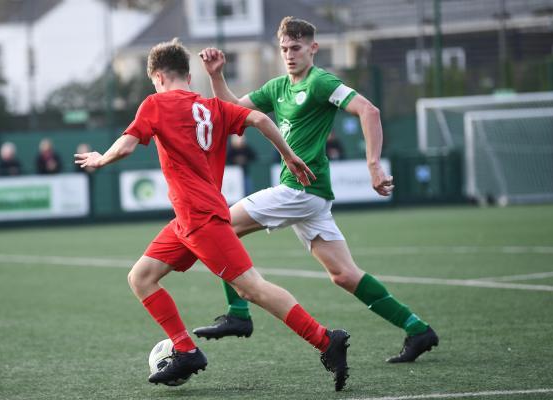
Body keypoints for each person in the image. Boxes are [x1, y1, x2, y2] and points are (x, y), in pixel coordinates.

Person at [74, 39, 350, 391]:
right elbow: (261, 119)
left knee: (253, 289)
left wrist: (100, 159)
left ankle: (327, 341)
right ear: (188, 76)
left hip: (200, 220)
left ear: (158, 77)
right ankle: (186, 350)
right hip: (189, 221)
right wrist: (290, 156)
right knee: (141, 277)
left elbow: (127, 145)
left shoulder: (155, 104)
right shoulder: (213, 107)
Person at [195, 16, 438, 363]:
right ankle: (417, 329)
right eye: (284, 49)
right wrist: (216, 75)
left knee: (218, 226)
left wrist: (373, 164)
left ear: (313, 48)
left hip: (300, 191)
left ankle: (238, 313)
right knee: (343, 275)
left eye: (296, 48)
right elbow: (231, 110)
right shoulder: (277, 87)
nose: (290, 55)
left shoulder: (321, 82)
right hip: (311, 196)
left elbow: (369, 111)